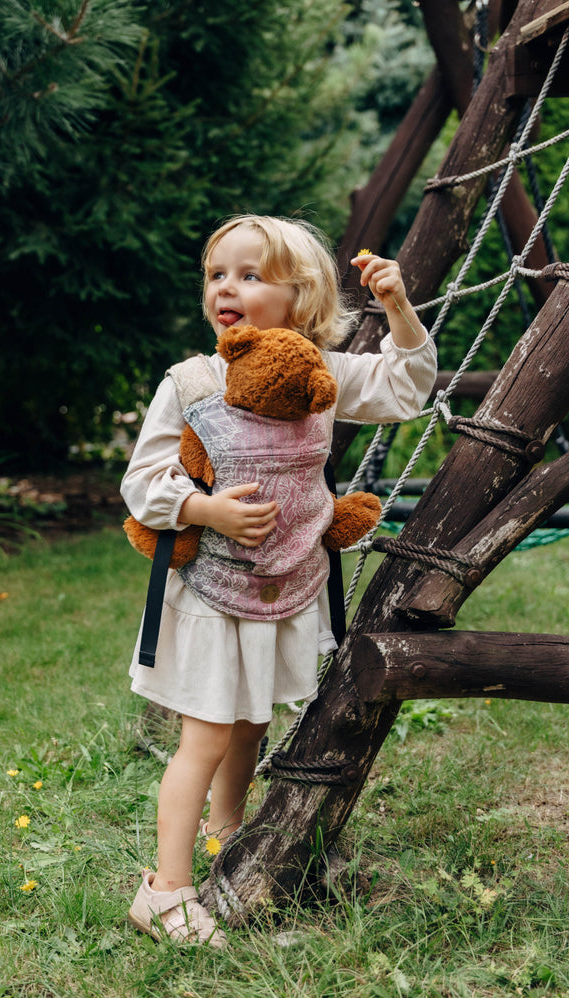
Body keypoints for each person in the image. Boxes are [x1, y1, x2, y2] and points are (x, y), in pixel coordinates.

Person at [121, 214, 437, 946]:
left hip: (283, 590)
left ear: (302, 298)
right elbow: (143, 483)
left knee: (252, 720)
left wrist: (398, 307)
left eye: (249, 275)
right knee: (202, 737)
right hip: (213, 594)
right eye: (215, 274)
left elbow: (405, 390)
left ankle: (225, 835)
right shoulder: (194, 381)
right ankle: (164, 893)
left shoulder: (323, 375)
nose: (225, 287)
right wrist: (203, 508)